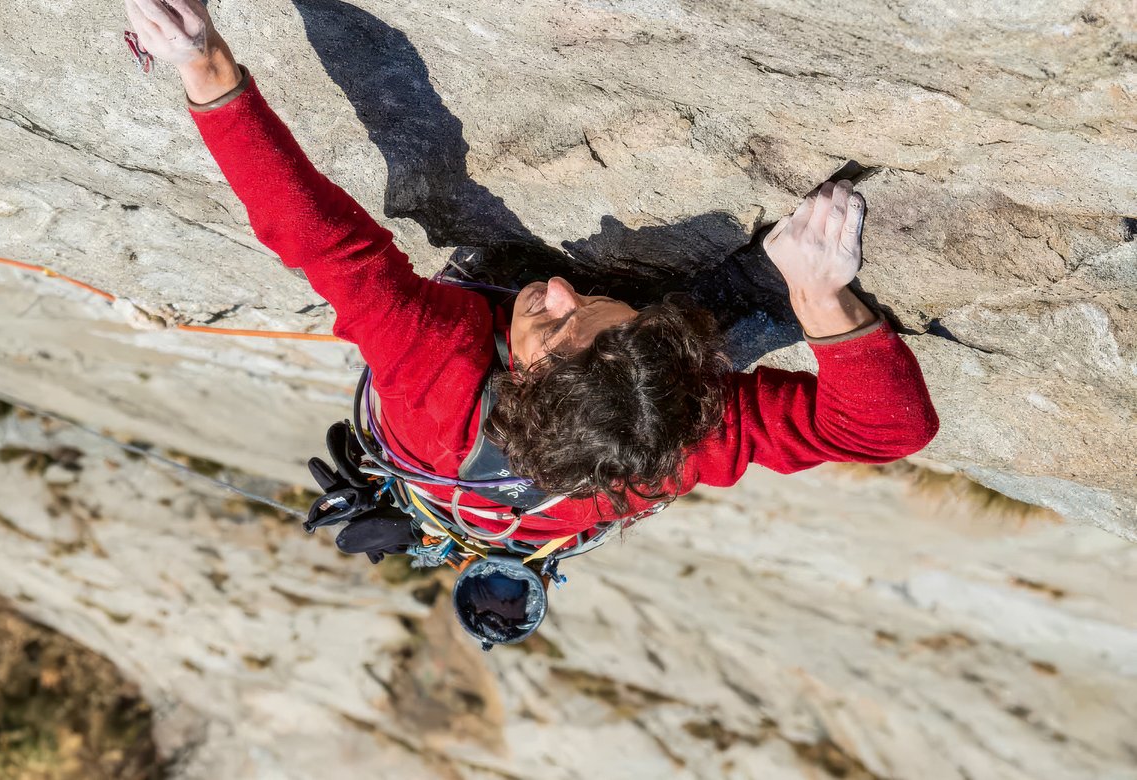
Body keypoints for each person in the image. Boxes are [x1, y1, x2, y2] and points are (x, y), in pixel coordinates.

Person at [125, 0, 941, 648]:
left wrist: (203, 63)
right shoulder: (681, 440)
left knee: (549, 278)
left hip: (467, 369)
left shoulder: (432, 373)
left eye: (561, 321)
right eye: (571, 311)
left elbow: (325, 244)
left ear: (516, 377)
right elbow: (887, 429)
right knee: (764, 289)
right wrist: (823, 303)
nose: (558, 286)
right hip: (607, 413)